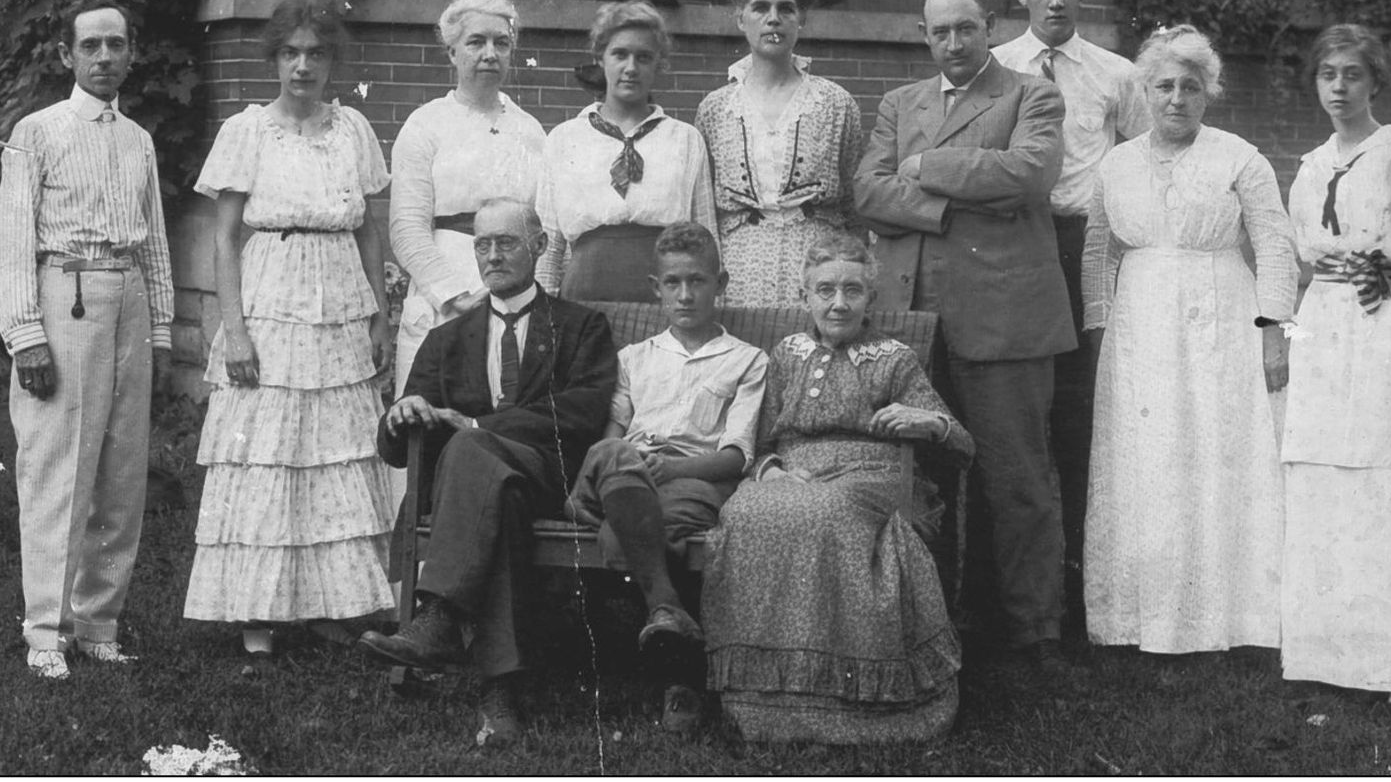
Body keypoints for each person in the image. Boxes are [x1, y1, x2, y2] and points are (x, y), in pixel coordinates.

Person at [853, 0, 1075, 668]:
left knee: (1015, 476)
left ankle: (1032, 628)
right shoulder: (898, 102)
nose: (952, 42)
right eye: (939, 31)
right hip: (913, 318)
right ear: (924, 36)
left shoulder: (1029, 93)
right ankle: (933, 621)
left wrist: (927, 166)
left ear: (988, 26)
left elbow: (1029, 174)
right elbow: (865, 191)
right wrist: (952, 205)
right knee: (918, 476)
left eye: (965, 28)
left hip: (1004, 315)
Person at [358, 197, 617, 748]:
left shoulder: (580, 326)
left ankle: (439, 617)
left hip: (550, 479)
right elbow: (399, 450)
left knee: (473, 447)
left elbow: (580, 415)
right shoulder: (447, 339)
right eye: (482, 244)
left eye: (507, 243)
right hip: (487, 493)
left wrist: (474, 422)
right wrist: (401, 416)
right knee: (489, 484)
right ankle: (498, 695)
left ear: (540, 247)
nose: (492, 255)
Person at [184, 0, 397, 660]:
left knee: (332, 449)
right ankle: (258, 614)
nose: (302, 65)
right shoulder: (248, 130)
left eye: (316, 53)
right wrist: (236, 331)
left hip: (338, 295)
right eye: (290, 53)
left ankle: (328, 605)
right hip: (271, 292)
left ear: (333, 59)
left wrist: (378, 315)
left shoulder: (353, 129)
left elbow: (369, 232)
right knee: (267, 451)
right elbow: (223, 242)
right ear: (273, 58)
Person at [703, 233, 972, 743]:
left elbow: (959, 441)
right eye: (825, 290)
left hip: (871, 473)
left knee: (824, 514)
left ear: (871, 297)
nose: (839, 302)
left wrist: (927, 421)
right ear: (806, 296)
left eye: (853, 290)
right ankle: (764, 703)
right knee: (745, 515)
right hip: (795, 471)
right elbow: (760, 444)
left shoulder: (895, 358)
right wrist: (774, 471)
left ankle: (853, 703)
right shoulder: (786, 354)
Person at [1080, 24, 1297, 654]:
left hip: (1220, 321)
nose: (1176, 98)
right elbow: (1098, 250)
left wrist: (1274, 333)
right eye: (1165, 85)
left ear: (1209, 94)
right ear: (1145, 90)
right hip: (1139, 324)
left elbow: (1277, 247)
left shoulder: (1239, 156)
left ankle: (1229, 616)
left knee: (1215, 450)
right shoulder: (1116, 163)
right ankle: (1140, 615)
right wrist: (1099, 325)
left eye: (1191, 87)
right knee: (1148, 459)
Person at [0, 0, 175, 679]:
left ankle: (99, 620)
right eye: (90, 46)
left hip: (126, 295)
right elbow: (10, 243)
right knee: (57, 467)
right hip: (63, 298)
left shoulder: (138, 140)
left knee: (121, 472)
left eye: (116, 45)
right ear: (67, 55)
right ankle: (46, 631)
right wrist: (25, 337)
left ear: (131, 54)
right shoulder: (34, 132)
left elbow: (154, 242)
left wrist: (158, 328)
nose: (104, 57)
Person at [1280, 24, 1391, 708]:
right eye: (1327, 74)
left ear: (1373, 82)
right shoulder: (1309, 164)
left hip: (1385, 323)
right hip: (1326, 321)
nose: (1337, 87)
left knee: (1387, 481)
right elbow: (1303, 249)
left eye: (1351, 74)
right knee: (1326, 476)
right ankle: (1328, 651)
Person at [990, 0, 1151, 640]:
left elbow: (1144, 162)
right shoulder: (995, 69)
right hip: (1018, 245)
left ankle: (1092, 586)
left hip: (1088, 243)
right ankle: (1020, 590)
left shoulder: (1116, 75)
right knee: (1021, 412)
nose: (1055, 0)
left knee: (1086, 413)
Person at [564, 221, 768, 734]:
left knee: (620, 533)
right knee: (615, 454)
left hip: (693, 483)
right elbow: (610, 440)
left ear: (720, 284)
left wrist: (669, 467)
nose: (685, 294)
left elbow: (734, 458)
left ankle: (673, 652)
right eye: (673, 283)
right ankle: (679, 658)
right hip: (624, 472)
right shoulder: (634, 358)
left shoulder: (747, 360)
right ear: (655, 288)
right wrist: (628, 463)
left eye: (697, 281)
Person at [390, 0, 547, 400]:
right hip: (443, 299)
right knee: (427, 421)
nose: (490, 54)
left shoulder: (530, 130)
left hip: (513, 298)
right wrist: (454, 297)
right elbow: (407, 229)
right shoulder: (425, 125)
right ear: (452, 53)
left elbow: (543, 225)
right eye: (476, 42)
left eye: (502, 43)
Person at [696, 0, 866, 304]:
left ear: (801, 18)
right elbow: (704, 210)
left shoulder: (836, 104)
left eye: (786, 9)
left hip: (818, 264)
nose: (773, 19)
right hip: (739, 266)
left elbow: (854, 205)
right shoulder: (715, 109)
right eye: (760, 8)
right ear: (740, 18)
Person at [535, 0, 718, 300]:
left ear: (659, 63)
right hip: (584, 290)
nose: (631, 68)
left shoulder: (684, 139)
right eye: (620, 54)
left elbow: (704, 236)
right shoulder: (564, 139)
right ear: (600, 57)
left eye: (644, 57)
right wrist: (546, 311)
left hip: (665, 291)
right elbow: (550, 241)